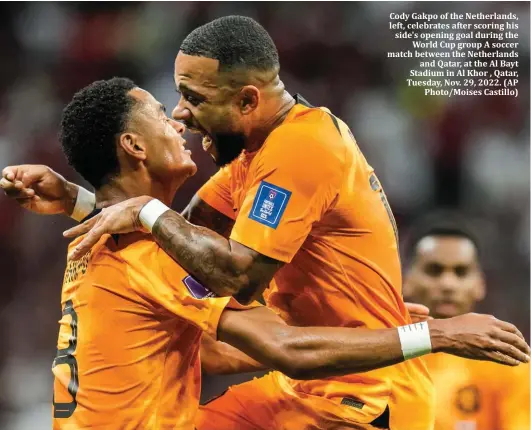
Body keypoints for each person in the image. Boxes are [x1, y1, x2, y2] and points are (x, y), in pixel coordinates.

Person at [1, 16, 529, 430]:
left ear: (247, 100)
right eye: (170, 107)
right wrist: (87, 201)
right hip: (308, 383)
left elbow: (210, 264)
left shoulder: (299, 148)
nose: (182, 115)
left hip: (365, 399)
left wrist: (90, 202)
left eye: (192, 99)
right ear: (134, 147)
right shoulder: (239, 171)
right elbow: (176, 245)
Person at [403, 216, 530, 430]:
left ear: (480, 284)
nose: (448, 284)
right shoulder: (382, 353)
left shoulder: (509, 361)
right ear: (406, 280)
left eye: (461, 272)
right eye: (434, 270)